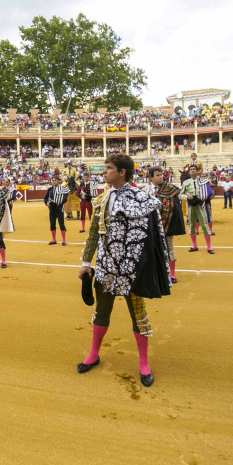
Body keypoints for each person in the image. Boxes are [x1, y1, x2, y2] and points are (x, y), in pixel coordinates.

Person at [77, 154, 171, 387]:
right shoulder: (101, 200)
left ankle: (143, 363)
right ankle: (93, 355)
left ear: (122, 172)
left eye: (109, 168)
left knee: (138, 314)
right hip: (107, 266)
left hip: (133, 268)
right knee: (102, 311)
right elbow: (92, 235)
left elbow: (151, 239)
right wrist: (86, 263)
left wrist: (147, 267)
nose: (104, 172)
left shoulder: (142, 198)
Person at [148, 166, 185, 284]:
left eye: (161, 175)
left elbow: (176, 209)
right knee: (151, 250)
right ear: (151, 178)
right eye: (157, 175)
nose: (160, 177)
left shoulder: (170, 189)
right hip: (150, 226)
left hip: (166, 225)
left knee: (169, 249)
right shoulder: (146, 191)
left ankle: (172, 274)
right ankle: (155, 272)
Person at [179, 165, 214, 254]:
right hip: (190, 206)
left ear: (197, 171)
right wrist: (187, 197)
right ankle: (194, 246)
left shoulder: (203, 181)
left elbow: (208, 193)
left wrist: (201, 198)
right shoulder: (186, 182)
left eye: (194, 169)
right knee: (191, 226)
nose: (193, 171)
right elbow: (180, 195)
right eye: (191, 169)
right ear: (189, 172)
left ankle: (209, 247)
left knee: (204, 225)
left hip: (200, 205)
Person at [44, 175, 69, 246]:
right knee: (52, 224)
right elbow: (45, 198)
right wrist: (47, 203)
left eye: (55, 180)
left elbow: (65, 199)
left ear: (58, 181)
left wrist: (58, 202)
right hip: (52, 209)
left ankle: (64, 241)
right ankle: (53, 240)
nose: (54, 181)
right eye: (53, 180)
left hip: (59, 208)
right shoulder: (50, 189)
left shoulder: (62, 188)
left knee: (61, 224)